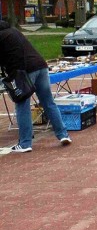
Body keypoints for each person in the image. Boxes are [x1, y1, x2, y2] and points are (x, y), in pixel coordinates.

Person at [0, 21, 72, 153]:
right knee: (48, 102)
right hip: (41, 66)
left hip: (24, 71)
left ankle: (25, 143)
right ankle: (63, 135)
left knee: (22, 104)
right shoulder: (13, 31)